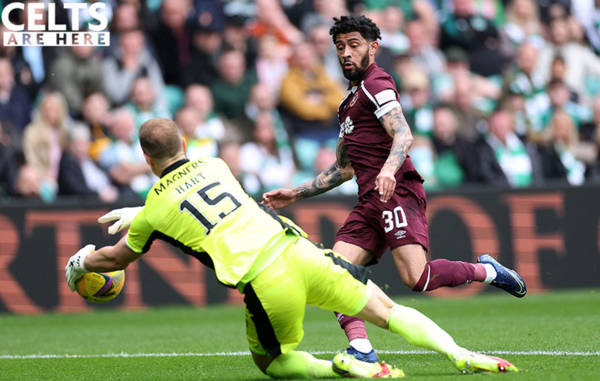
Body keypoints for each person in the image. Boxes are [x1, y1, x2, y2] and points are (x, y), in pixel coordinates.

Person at [65, 117, 519, 379]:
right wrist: (142, 210)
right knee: (387, 309)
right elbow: (191, 192)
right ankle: (461, 353)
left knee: (271, 361)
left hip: (264, 282)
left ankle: (341, 369)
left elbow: (115, 257)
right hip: (299, 249)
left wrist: (79, 262)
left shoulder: (153, 212)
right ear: (185, 143)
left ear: (146, 159)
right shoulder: (216, 163)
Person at [262, 15, 527, 363]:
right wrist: (296, 193)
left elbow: (403, 134)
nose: (346, 53)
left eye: (354, 45)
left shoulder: (378, 83)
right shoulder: (348, 102)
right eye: (340, 46)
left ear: (373, 47)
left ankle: (490, 271)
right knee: (334, 274)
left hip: (396, 192)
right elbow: (344, 168)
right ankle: (361, 348)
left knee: (418, 278)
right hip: (369, 199)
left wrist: (388, 171)